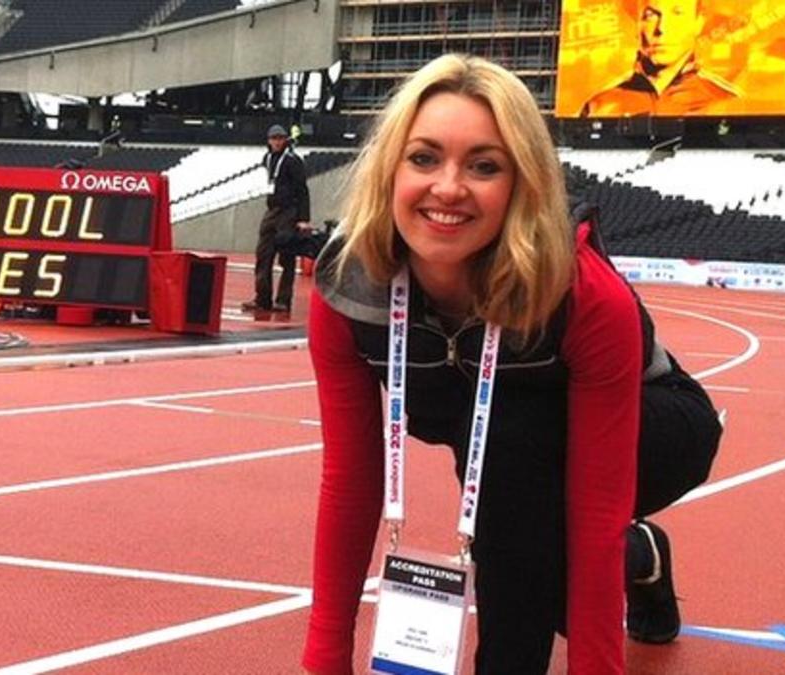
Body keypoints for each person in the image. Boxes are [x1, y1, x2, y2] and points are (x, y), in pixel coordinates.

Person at [303, 54, 722, 674]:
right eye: (423, 158)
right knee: (518, 503)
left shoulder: (583, 294)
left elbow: (595, 511)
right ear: (389, 168)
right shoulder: (346, 286)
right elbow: (351, 482)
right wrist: (324, 662)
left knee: (516, 487)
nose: (449, 188)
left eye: (484, 166)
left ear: (522, 183)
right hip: (502, 442)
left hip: (655, 427)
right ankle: (642, 557)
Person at [580, 0, 739, 117]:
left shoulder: (725, 101)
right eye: (650, 15)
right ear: (636, 23)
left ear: (699, 22)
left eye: (677, 13)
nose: (662, 28)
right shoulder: (600, 106)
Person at [242, 124, 312, 314]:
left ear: (285, 140)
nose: (277, 142)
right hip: (272, 210)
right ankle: (262, 298)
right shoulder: (267, 158)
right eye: (274, 139)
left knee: (287, 258)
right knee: (263, 255)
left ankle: (283, 300)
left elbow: (302, 190)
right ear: (269, 140)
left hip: (289, 212)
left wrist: (303, 218)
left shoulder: (292, 160)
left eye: (280, 138)